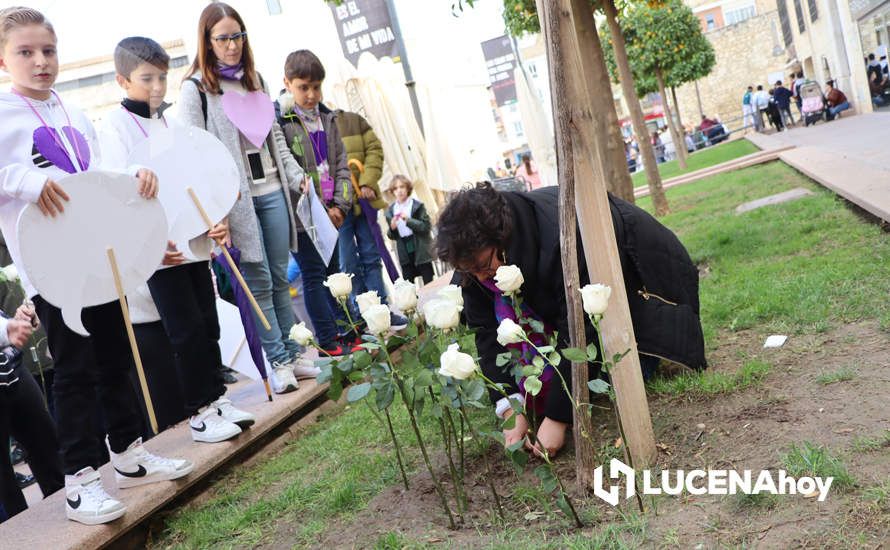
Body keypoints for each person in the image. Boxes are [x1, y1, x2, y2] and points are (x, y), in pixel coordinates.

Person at [0, 7, 192, 525]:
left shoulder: (72, 110)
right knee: (74, 371)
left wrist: (133, 174)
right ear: (3, 58)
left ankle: (128, 454)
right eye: (26, 51)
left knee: (113, 357)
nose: (40, 61)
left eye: (48, 50)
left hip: (97, 259)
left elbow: (96, 172)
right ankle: (80, 482)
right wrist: (26, 181)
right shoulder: (1, 113)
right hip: (53, 268)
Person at [436, 183, 706, 457]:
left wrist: (557, 418)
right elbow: (486, 333)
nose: (481, 277)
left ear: (503, 238)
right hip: (578, 285)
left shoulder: (563, 238)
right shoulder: (473, 261)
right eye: (471, 271)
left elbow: (579, 328)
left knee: (622, 371)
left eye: (483, 267)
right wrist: (509, 406)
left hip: (639, 270)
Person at [98, 36, 254, 436]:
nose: (156, 87)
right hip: (160, 248)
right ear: (122, 80)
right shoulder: (114, 127)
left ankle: (218, 400)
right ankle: (199, 412)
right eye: (146, 78)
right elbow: (116, 191)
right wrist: (145, 241)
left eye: (162, 78)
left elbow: (192, 177)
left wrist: (213, 219)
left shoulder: (169, 121)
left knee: (207, 321)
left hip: (194, 241)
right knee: (183, 330)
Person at [179, 3, 315, 394]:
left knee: (278, 275)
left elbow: (276, 143)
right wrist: (211, 211)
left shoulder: (256, 80)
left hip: (272, 190)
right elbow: (195, 155)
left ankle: (291, 352)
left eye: (237, 36)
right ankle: (277, 361)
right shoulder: (196, 90)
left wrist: (295, 178)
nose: (232, 45)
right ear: (207, 41)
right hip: (234, 202)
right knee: (256, 280)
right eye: (222, 38)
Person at [274, 49, 361, 356]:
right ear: (287, 83)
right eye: (303, 87)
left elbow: (341, 166)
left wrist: (340, 206)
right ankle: (327, 337)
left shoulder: (328, 118)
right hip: (304, 216)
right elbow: (285, 168)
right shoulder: (281, 123)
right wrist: (317, 209)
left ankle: (348, 329)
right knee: (314, 276)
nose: (310, 95)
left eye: (316, 87)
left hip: (332, 213)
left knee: (336, 273)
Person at [334, 108, 407, 329]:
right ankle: (362, 316)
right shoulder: (312, 130)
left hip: (365, 201)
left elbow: (374, 148)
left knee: (371, 257)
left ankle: (382, 311)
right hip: (338, 206)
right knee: (348, 264)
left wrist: (367, 181)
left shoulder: (353, 120)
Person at [0, 303, 63, 523]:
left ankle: (69, 515)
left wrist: (19, 316)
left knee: (46, 443)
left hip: (11, 367)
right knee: (3, 481)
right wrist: (6, 328)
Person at [385, 175, 434, 286]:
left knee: (429, 283)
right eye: (396, 188)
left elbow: (426, 227)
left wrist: (408, 220)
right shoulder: (391, 210)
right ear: (392, 192)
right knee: (408, 284)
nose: (399, 191)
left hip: (420, 247)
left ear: (408, 188)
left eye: (402, 186)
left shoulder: (417, 205)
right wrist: (392, 229)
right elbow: (391, 236)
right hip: (404, 249)